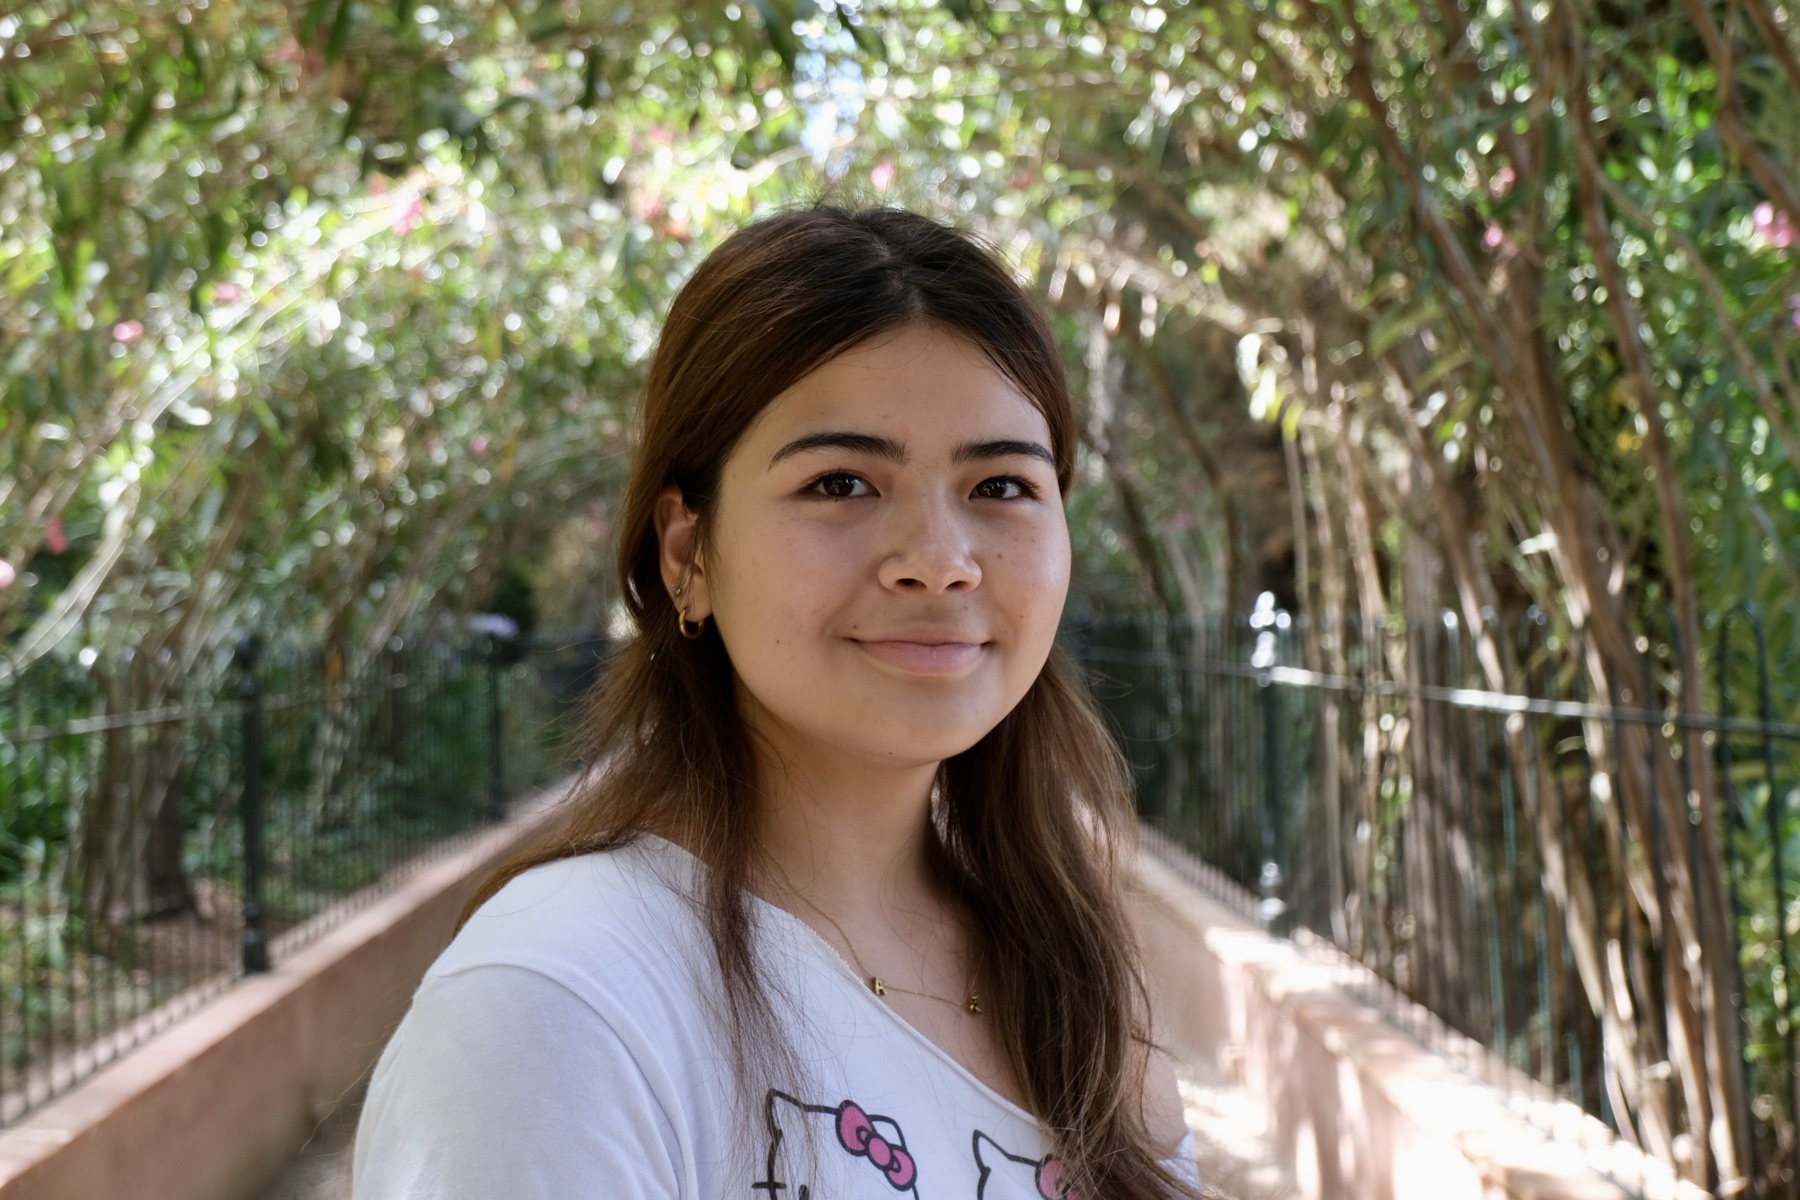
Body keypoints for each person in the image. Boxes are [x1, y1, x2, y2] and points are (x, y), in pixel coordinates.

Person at [351, 205, 1200, 1199]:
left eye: (1002, 486)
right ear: (687, 554)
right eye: (841, 482)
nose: (939, 561)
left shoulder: (1072, 978)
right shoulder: (559, 1009)